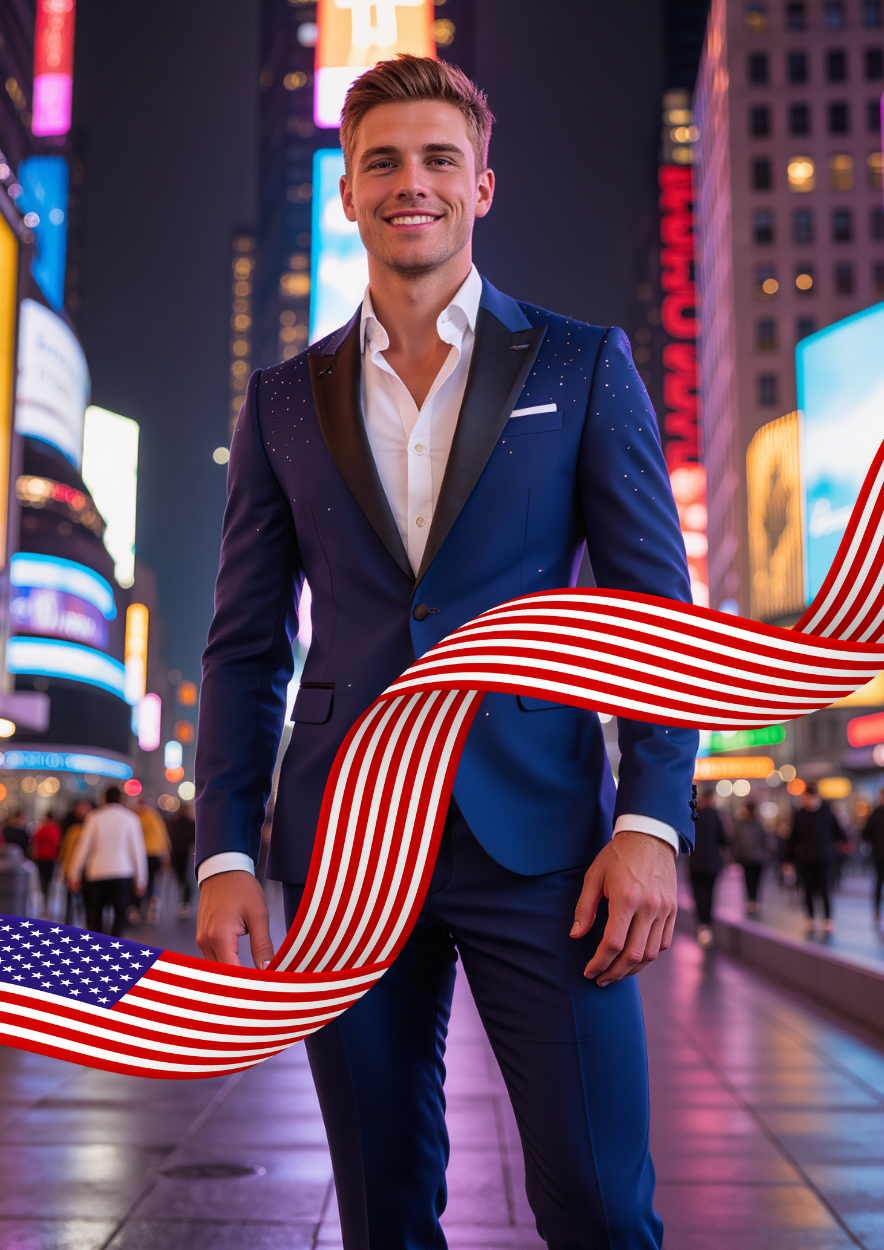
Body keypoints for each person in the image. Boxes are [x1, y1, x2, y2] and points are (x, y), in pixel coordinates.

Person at [194, 56, 698, 1250]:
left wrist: (649, 822)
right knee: (381, 1202)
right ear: (348, 192)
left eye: (435, 160)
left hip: (543, 846)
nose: (407, 182)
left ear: (481, 184)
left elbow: (653, 608)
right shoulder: (279, 398)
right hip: (344, 851)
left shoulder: (581, 364)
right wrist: (222, 845)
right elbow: (244, 642)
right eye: (380, 161)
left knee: (595, 1197)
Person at [67, 786, 147, 938]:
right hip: (122, 872)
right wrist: (141, 879)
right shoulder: (131, 818)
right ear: (122, 799)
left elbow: (83, 847)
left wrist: (73, 874)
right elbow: (137, 851)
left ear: (103, 799)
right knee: (120, 916)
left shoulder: (94, 817)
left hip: (96, 873)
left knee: (94, 916)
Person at [784, 782, 848, 935]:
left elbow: (839, 832)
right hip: (805, 859)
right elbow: (793, 839)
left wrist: (844, 843)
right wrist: (788, 860)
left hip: (825, 858)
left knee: (825, 889)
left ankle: (827, 919)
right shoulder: (799, 815)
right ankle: (811, 918)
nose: (810, 800)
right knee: (808, 890)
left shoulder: (827, 813)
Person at [689, 789, 727, 947]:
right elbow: (723, 839)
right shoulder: (716, 815)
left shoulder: (693, 815)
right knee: (710, 893)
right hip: (712, 862)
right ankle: (707, 924)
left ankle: (702, 926)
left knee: (698, 894)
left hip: (696, 861)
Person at [130, 799, 171, 924]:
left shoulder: (136, 817)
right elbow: (162, 835)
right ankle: (153, 903)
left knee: (140, 881)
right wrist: (166, 855)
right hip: (155, 853)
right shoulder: (154, 816)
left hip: (140, 854)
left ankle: (136, 909)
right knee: (153, 880)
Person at [730, 800, 769, 914]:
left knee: (752, 880)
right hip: (751, 857)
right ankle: (752, 900)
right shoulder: (756, 823)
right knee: (751, 880)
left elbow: (736, 840)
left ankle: (753, 900)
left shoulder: (749, 824)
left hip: (752, 857)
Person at [59, 802, 93, 926]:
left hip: (86, 871)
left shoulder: (87, 830)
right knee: (71, 901)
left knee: (85, 901)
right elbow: (66, 851)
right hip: (75, 870)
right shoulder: (73, 830)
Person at [30, 811, 62, 915]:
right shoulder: (54, 829)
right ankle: (47, 905)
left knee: (42, 880)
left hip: (40, 858)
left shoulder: (41, 828)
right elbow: (56, 842)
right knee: (49, 881)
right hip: (50, 858)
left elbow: (35, 841)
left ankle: (43, 903)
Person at [168, 802, 195, 917]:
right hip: (186, 853)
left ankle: (183, 901)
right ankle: (185, 902)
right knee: (187, 878)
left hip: (175, 853)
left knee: (180, 878)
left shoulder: (174, 822)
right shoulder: (191, 823)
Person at [862, 787, 884, 923]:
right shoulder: (875, 813)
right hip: (879, 854)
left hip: (878, 852)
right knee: (879, 882)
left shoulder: (875, 813)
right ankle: (876, 910)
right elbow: (866, 834)